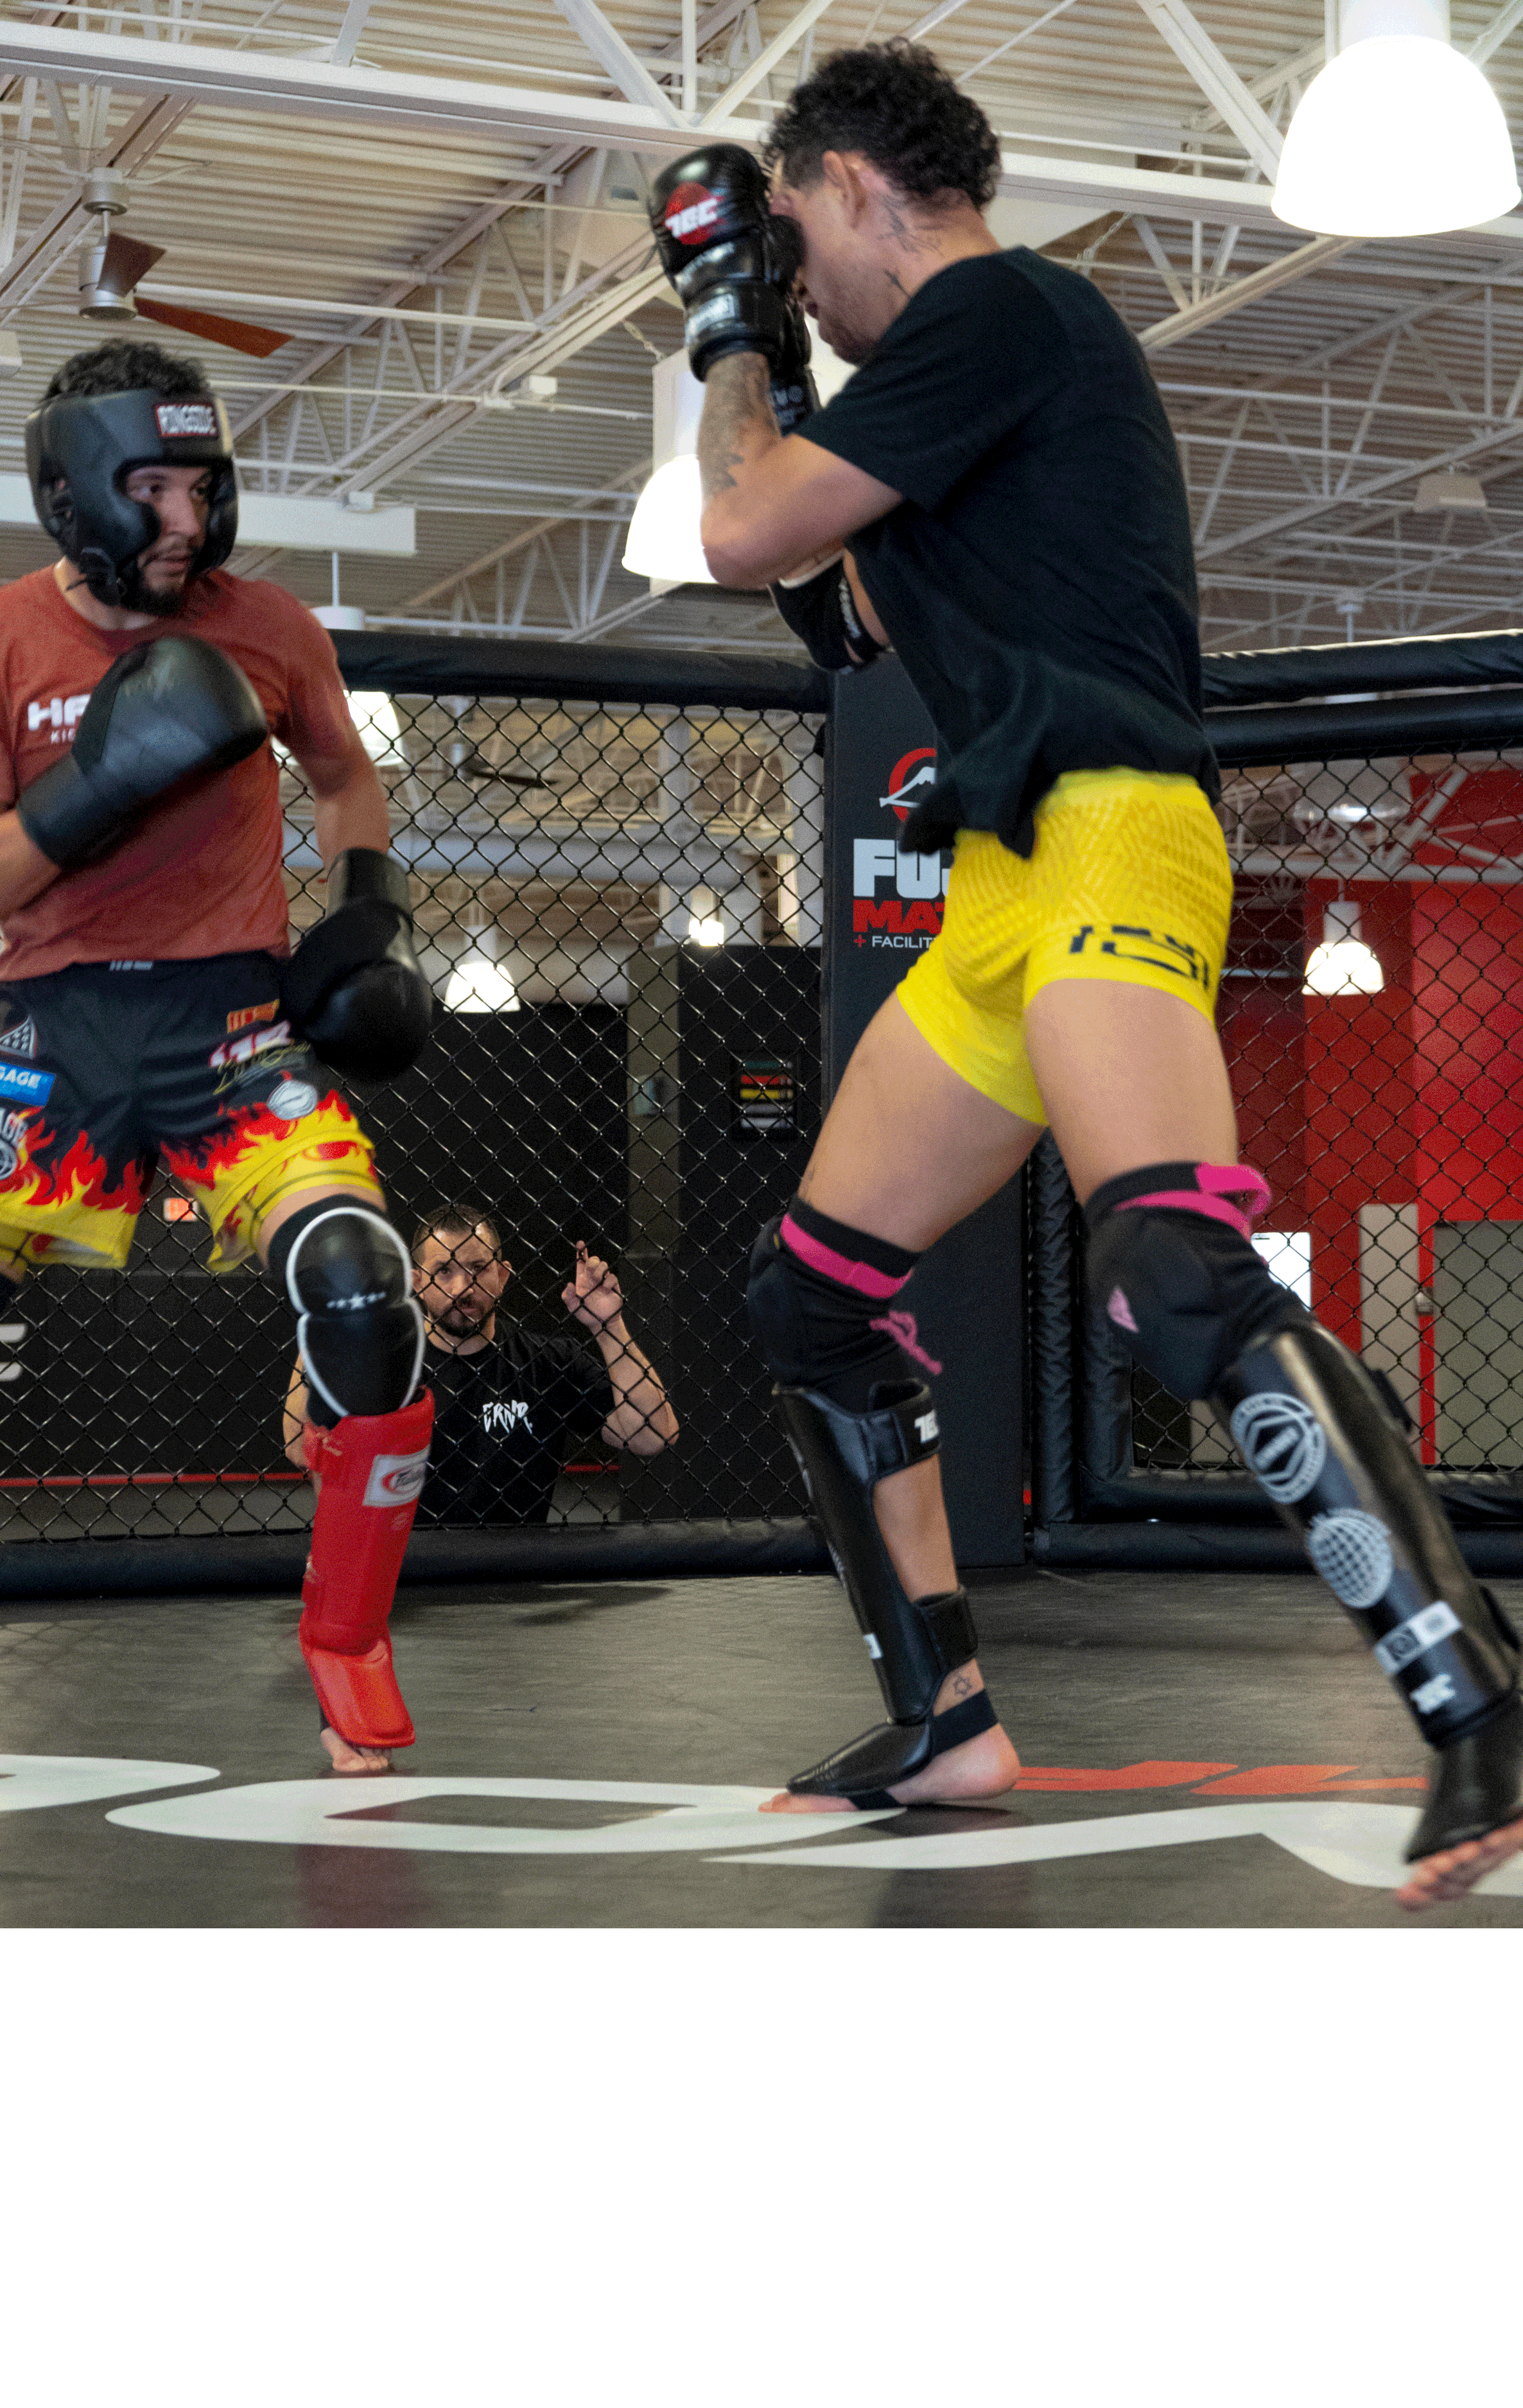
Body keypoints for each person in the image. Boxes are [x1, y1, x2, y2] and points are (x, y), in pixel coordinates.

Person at [648, 40, 1523, 1909]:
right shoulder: (938, 411)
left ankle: (1474, 1695)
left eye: (794, 234)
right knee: (807, 1294)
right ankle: (944, 1709)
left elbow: (735, 528)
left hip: (1113, 828)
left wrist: (726, 329)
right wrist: (771, 366)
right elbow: (822, 604)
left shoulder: (997, 311)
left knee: (1166, 1269)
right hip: (995, 887)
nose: (791, 275)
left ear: (856, 184)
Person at [0, 336, 437, 1779]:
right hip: (52, 1036)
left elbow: (342, 771)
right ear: (77, 489)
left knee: (362, 1289)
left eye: (203, 486)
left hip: (232, 1027)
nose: (187, 523)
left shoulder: (267, 624)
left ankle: (346, 1636)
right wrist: (106, 776)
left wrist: (371, 912)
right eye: (152, 487)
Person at [284, 1202, 677, 1521]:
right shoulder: (387, 1362)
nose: (462, 1288)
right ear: (417, 1281)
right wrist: (327, 1321)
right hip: (409, 1581)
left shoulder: (547, 1361)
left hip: (518, 1587)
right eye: (445, 1271)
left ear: (503, 1277)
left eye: (478, 1268)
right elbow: (300, 1448)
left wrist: (609, 1327)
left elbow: (653, 1435)